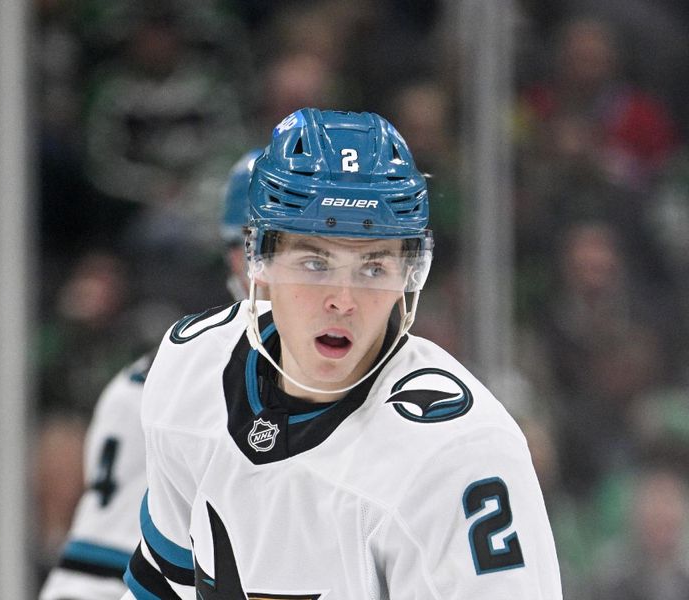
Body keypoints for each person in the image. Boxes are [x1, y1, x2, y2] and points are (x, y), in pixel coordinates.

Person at [122, 108, 562, 598]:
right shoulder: (193, 368)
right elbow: (164, 585)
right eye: (315, 262)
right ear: (259, 260)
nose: (343, 300)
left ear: (408, 274)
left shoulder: (461, 456)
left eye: (373, 267)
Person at [38, 147, 263, 600]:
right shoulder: (167, 390)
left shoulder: (414, 395)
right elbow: (92, 581)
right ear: (241, 258)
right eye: (308, 251)